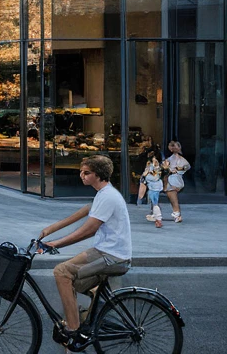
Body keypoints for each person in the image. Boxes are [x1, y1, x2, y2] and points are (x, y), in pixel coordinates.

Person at [37, 155, 132, 349]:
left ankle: (73, 329)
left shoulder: (108, 196)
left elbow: (89, 229)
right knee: (71, 283)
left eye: (86, 173)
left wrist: (56, 244)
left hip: (111, 256)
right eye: (81, 171)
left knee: (62, 272)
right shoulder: (103, 194)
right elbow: (80, 214)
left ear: (98, 175)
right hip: (105, 251)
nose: (81, 175)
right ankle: (84, 317)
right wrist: (49, 230)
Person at [162, 140, 190, 223]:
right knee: (172, 197)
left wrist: (174, 170)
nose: (173, 148)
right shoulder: (170, 159)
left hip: (174, 180)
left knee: (173, 197)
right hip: (170, 179)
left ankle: (177, 214)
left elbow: (185, 167)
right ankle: (176, 213)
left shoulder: (181, 160)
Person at [139, 146, 165, 229]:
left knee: (154, 202)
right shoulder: (150, 164)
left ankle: (158, 218)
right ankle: (155, 215)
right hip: (153, 185)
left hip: (154, 185)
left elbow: (155, 176)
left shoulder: (155, 166)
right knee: (154, 201)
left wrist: (146, 175)